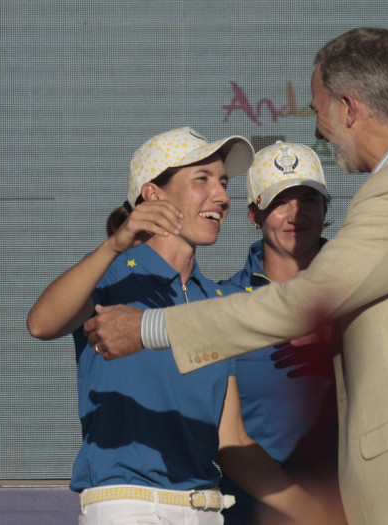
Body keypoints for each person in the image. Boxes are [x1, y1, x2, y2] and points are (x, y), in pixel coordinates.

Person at [84, 28, 388, 524]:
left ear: (349, 108)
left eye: (318, 111)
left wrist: (147, 328)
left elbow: (302, 300)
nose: (319, 130)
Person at [26, 127, 330, 525]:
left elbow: (232, 441)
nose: (221, 197)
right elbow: (40, 324)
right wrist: (115, 244)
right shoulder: (111, 273)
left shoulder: (217, 302)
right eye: (201, 180)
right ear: (153, 195)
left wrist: (319, 514)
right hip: (128, 506)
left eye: (222, 183)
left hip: (206, 508)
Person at [217, 141, 341, 524]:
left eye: (308, 199)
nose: (295, 215)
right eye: (278, 201)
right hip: (253, 514)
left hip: (356, 509)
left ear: (325, 208)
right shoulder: (222, 303)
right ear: (254, 214)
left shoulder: (364, 295)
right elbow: (225, 440)